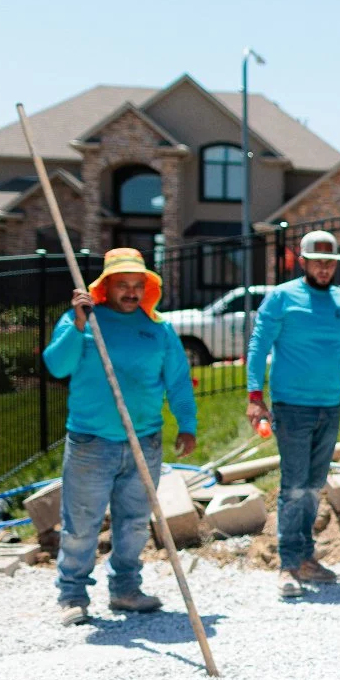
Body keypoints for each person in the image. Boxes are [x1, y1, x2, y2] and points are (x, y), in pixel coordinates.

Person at [42, 247, 197, 626]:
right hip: (91, 442)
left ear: (147, 288)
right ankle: (72, 594)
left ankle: (125, 590)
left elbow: (177, 380)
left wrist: (187, 423)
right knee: (82, 522)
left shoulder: (157, 329)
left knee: (134, 522)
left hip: (145, 440)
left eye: (137, 285)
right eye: (122, 285)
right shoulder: (82, 321)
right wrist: (78, 326)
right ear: (106, 287)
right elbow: (56, 366)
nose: (130, 292)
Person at [245, 230, 340, 598]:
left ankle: (305, 559)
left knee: (314, 487)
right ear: (302, 262)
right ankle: (288, 564)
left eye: (329, 262)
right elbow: (258, 346)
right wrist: (255, 396)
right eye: (317, 261)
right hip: (291, 406)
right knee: (294, 486)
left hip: (329, 406)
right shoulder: (282, 298)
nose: (323, 267)